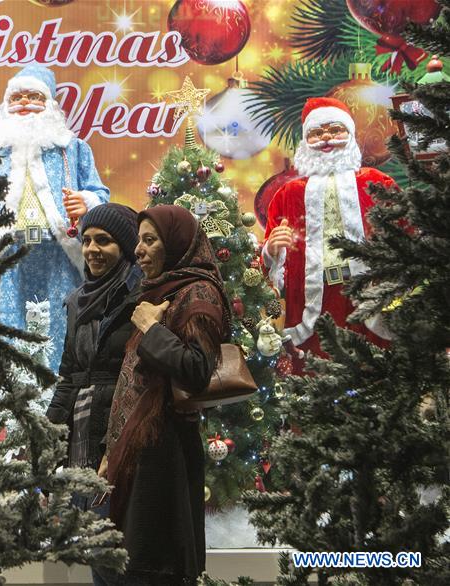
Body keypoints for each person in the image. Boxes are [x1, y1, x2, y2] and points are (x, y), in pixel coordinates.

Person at [99, 205, 229, 585]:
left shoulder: (199, 294)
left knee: (154, 567)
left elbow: (196, 369)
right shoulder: (159, 292)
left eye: (150, 240)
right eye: (138, 240)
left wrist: (150, 330)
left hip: (165, 455)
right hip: (144, 452)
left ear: (176, 243)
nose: (138, 250)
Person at [0, 65, 109, 370]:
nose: (23, 103)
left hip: (59, 254)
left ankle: (60, 390)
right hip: (7, 254)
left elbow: (100, 192)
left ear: (49, 104)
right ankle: (11, 392)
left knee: (60, 323)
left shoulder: (73, 149)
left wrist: (86, 203)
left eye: (33, 96)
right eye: (16, 97)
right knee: (8, 327)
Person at [46, 203, 142, 585]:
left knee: (119, 552)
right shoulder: (76, 301)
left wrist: (116, 444)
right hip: (81, 440)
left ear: (128, 245)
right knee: (95, 548)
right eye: (86, 240)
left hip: (121, 437)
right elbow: (69, 375)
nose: (91, 249)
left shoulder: (141, 298)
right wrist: (48, 436)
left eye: (104, 241)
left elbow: (141, 380)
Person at [262, 97, 395, 371]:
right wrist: (272, 249)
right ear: (305, 141)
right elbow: (267, 253)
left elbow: (407, 235)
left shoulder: (376, 183)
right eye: (316, 132)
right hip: (313, 297)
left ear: (350, 134)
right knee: (316, 371)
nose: (326, 137)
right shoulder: (289, 193)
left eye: (335, 129)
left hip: (366, 291)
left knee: (372, 367)